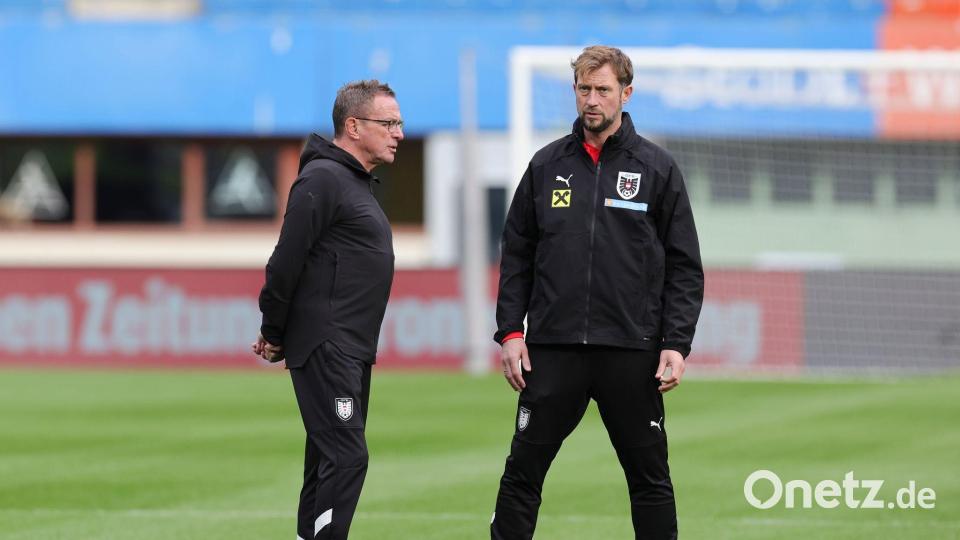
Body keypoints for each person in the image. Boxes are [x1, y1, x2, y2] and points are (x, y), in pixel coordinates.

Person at [490, 46, 704, 540]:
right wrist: (510, 332)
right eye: (584, 89)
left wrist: (676, 343)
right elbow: (517, 254)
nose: (592, 100)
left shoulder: (656, 168)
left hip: (630, 350)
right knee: (522, 473)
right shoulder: (546, 166)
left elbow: (685, 267)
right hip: (554, 348)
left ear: (626, 94)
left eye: (603, 89)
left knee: (649, 479)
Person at [252, 80, 403, 540]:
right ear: (353, 126)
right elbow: (285, 260)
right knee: (346, 457)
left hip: (351, 347)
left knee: (325, 459)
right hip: (328, 343)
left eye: (399, 123)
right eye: (388, 123)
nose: (398, 133)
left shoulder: (352, 182)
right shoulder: (322, 178)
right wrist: (274, 329)